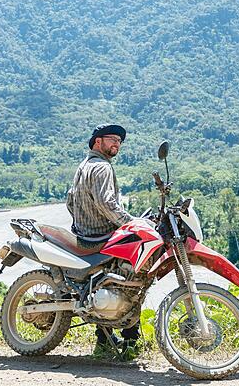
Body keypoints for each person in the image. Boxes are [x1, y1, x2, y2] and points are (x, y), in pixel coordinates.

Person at [66, 123, 141, 359]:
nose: (117, 144)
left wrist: (83, 222)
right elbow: (107, 204)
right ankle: (130, 341)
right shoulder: (102, 168)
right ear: (98, 142)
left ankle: (104, 339)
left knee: (103, 282)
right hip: (102, 237)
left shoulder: (84, 166)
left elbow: (70, 201)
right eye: (112, 139)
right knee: (135, 278)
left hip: (85, 235)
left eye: (120, 141)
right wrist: (132, 224)